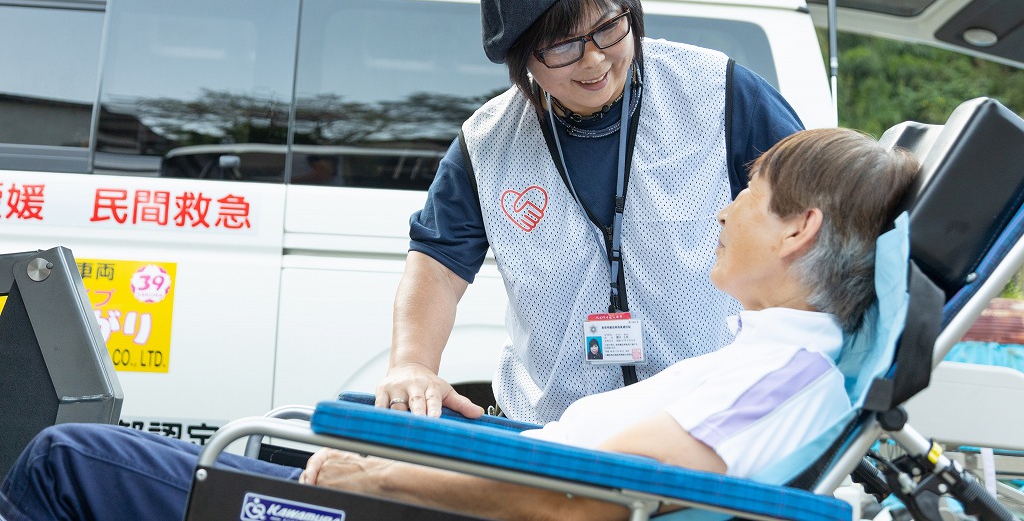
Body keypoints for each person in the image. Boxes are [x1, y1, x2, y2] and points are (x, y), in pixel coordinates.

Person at [1, 128, 920, 521]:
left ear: (800, 229)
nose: (723, 212)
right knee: (288, 433)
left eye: (747, 194)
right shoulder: (776, 365)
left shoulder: (771, 381)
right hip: (452, 499)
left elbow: (577, 499)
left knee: (70, 460)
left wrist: (386, 473)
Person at [377, 0, 805, 425]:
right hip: (556, 432)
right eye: (563, 45)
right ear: (523, 59)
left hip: (705, 423)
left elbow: (811, 220)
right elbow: (438, 267)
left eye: (608, 28)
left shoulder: (721, 93)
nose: (595, 60)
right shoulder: (486, 143)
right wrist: (412, 363)